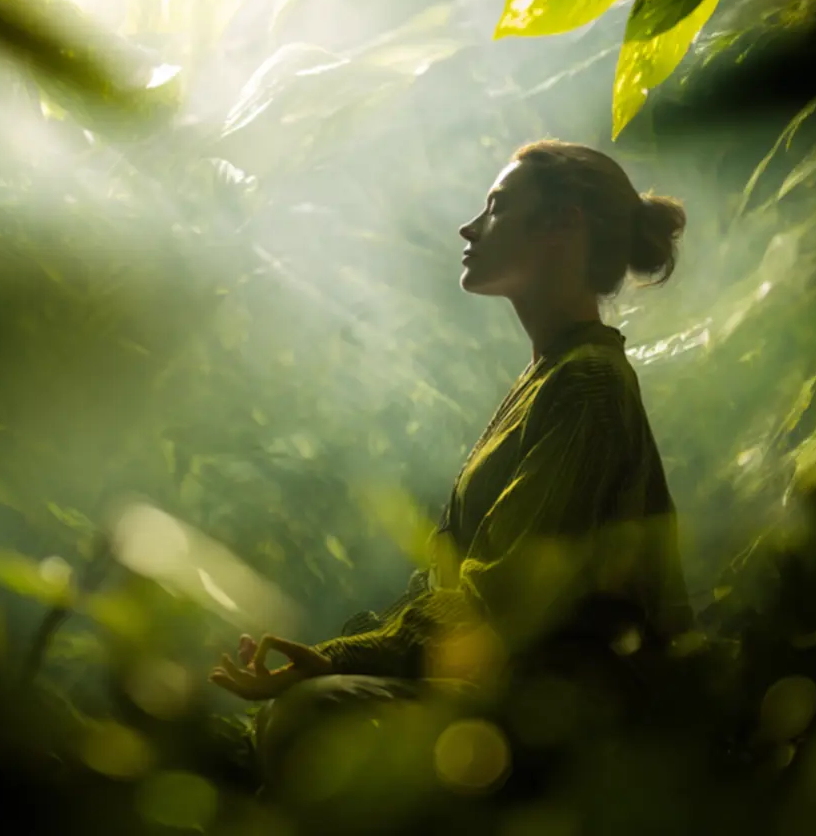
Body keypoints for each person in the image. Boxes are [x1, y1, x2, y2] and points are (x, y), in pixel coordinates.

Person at [208, 139, 695, 787]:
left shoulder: (587, 386)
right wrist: (329, 660)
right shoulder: (557, 376)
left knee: (313, 717)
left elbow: (501, 599)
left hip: (566, 716)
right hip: (519, 694)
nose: (470, 226)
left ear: (565, 225)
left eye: (496, 207)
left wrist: (331, 665)